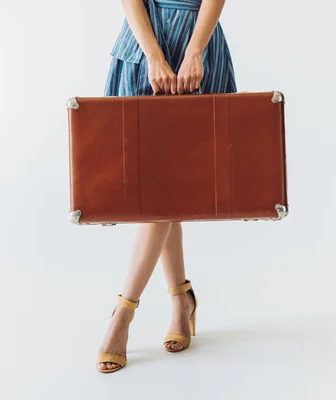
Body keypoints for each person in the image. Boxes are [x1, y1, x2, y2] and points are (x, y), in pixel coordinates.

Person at [96, 0, 236, 373]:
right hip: (142, 46)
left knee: (169, 189)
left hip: (196, 43)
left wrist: (194, 50)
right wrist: (154, 55)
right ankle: (180, 298)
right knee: (155, 190)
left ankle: (124, 312)